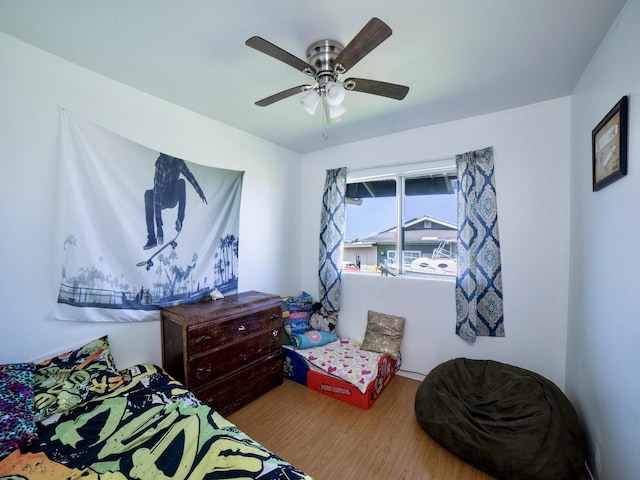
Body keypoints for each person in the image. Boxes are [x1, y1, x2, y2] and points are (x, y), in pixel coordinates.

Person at [144, 153, 208, 250]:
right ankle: (152, 237)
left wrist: (200, 192)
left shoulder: (179, 161)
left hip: (172, 198)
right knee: (148, 195)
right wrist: (159, 226)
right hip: (162, 200)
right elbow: (157, 195)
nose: (171, 158)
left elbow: (189, 176)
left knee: (181, 182)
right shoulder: (161, 165)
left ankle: (180, 220)